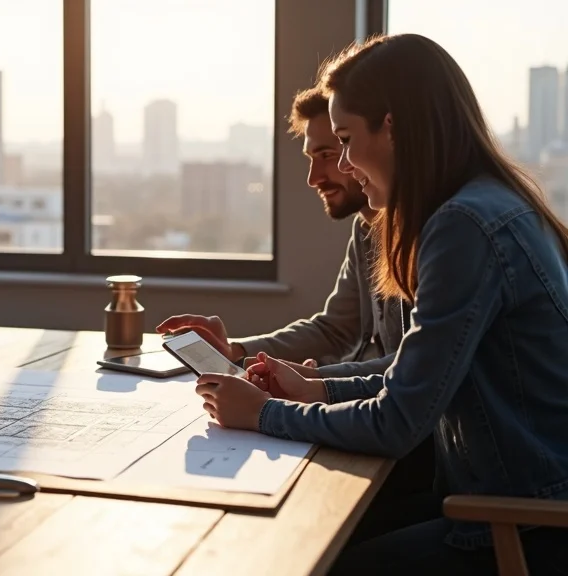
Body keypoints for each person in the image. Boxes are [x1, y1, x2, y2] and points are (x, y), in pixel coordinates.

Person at [196, 34, 568, 575]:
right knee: (313, 533)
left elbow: (398, 420)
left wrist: (265, 414)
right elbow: (418, 378)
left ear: (392, 127)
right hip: (510, 497)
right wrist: (316, 388)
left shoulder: (462, 226)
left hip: (524, 524)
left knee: (309, 558)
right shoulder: (487, 203)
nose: (344, 163)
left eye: (345, 139)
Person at [157, 87, 406, 380]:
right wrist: (235, 351)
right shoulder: (365, 228)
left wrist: (313, 383)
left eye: (328, 154)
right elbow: (335, 330)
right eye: (312, 158)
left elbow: (412, 369)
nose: (314, 178)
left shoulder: (426, 234)